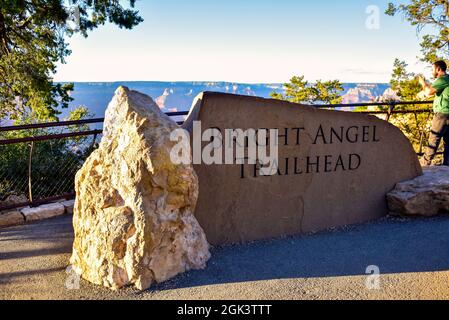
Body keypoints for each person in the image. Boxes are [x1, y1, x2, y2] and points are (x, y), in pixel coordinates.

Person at [418, 60, 449, 166]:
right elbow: (434, 93)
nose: (432, 72)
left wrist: (423, 83)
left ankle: (424, 164)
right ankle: (446, 166)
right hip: (447, 114)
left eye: (433, 69)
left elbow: (428, 92)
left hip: (442, 114)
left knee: (433, 139)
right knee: (448, 142)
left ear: (438, 69)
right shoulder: (447, 79)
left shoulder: (442, 79)